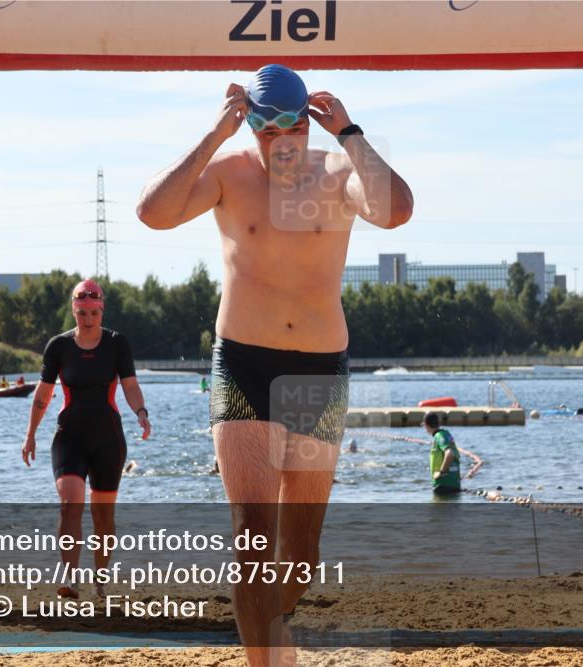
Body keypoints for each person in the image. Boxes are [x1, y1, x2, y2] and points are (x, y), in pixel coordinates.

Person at [138, 63, 413, 665]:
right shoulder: (228, 173)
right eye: (265, 128)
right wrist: (213, 134)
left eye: (292, 125)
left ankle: (275, 634)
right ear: (250, 125)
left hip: (319, 372)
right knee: (252, 539)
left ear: (308, 122)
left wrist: (351, 133)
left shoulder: (339, 170)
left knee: (300, 559)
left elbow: (395, 212)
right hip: (242, 361)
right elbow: (152, 213)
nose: (280, 140)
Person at [21, 279, 152, 599]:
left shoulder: (116, 344)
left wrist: (141, 412)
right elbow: (43, 394)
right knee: (70, 504)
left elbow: (130, 385)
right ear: (73, 311)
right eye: (82, 313)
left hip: (108, 438)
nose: (89, 319)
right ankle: (69, 577)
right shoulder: (59, 347)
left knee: (103, 515)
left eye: (94, 313)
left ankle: (101, 581)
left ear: (102, 310)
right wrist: (31, 434)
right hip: (70, 436)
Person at [423, 412, 461, 496]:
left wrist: (441, 472)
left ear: (426, 425)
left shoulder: (439, 436)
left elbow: (449, 453)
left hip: (443, 485)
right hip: (454, 483)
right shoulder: (446, 434)